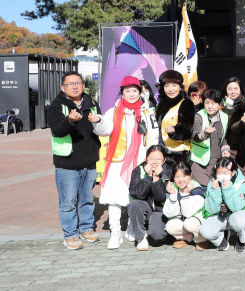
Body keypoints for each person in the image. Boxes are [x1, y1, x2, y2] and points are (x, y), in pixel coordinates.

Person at [90, 76, 159, 249]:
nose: (132, 94)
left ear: (140, 92)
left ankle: (132, 227)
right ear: (122, 93)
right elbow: (105, 130)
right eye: (128, 91)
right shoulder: (113, 111)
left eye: (135, 90)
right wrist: (98, 121)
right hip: (118, 161)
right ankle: (115, 233)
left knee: (135, 195)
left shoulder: (146, 112)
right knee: (114, 197)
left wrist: (151, 159)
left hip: (139, 161)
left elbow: (152, 136)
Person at [48, 71, 102, 250]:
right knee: (68, 202)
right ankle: (70, 234)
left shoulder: (92, 104)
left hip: (89, 161)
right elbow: (56, 130)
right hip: (67, 163)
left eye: (77, 83)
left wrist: (99, 121)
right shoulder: (56, 106)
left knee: (87, 199)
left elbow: (100, 128)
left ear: (83, 86)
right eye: (69, 84)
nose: (74, 86)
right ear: (63, 88)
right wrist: (69, 121)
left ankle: (86, 228)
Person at [128, 145, 175, 251]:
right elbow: (137, 194)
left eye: (159, 159)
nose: (155, 162)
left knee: (158, 235)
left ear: (164, 160)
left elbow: (161, 198)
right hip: (144, 209)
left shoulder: (169, 172)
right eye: (151, 158)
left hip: (160, 211)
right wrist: (148, 177)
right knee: (135, 204)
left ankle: (159, 230)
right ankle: (141, 237)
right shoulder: (138, 170)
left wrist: (156, 178)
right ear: (146, 159)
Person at [200, 157, 245, 252]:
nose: (222, 176)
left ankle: (242, 240)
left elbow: (236, 207)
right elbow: (211, 210)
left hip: (236, 215)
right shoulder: (212, 184)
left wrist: (228, 190)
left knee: (241, 222)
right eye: (219, 173)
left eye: (225, 173)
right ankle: (221, 240)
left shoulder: (242, 183)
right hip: (221, 216)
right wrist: (215, 191)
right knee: (205, 230)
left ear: (233, 172)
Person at [163, 161, 208, 250]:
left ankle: (202, 239)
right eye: (177, 176)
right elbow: (170, 214)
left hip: (197, 220)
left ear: (190, 175)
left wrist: (186, 194)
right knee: (170, 226)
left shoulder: (196, 188)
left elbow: (188, 213)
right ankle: (187, 238)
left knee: (189, 223)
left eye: (184, 176)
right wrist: (172, 195)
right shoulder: (173, 187)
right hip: (183, 219)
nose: (181, 180)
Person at [191, 89, 231, 185]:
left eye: (213, 103)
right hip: (200, 162)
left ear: (219, 104)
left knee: (216, 189)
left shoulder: (224, 117)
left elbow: (224, 138)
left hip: (217, 162)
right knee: (201, 189)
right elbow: (195, 137)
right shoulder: (198, 116)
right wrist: (205, 133)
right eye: (207, 103)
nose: (210, 106)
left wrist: (225, 150)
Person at [155, 70, 196, 164]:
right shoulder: (162, 103)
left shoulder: (185, 103)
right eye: (167, 86)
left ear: (180, 87)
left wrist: (174, 131)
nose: (170, 89)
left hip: (178, 154)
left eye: (174, 85)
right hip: (161, 152)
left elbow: (188, 130)